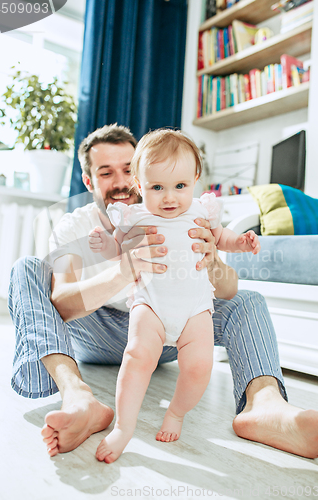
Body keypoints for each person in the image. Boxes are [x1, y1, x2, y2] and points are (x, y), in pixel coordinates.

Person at [8, 124, 318, 460]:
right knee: (25, 268)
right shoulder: (77, 225)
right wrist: (123, 271)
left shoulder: (188, 215)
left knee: (250, 300)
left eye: (128, 168)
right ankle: (77, 397)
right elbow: (62, 304)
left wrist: (212, 258)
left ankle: (264, 406)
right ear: (89, 181)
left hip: (175, 331)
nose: (121, 181)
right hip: (98, 330)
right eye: (106, 172)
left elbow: (229, 291)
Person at [89, 129, 261, 463]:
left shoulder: (202, 211)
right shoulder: (135, 216)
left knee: (199, 367)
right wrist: (105, 245)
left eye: (180, 186)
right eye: (157, 188)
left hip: (195, 308)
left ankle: (177, 413)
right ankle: (123, 427)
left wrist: (239, 242)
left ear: (195, 179)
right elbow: (119, 250)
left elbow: (221, 237)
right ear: (140, 186)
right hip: (150, 303)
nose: (169, 198)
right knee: (137, 356)